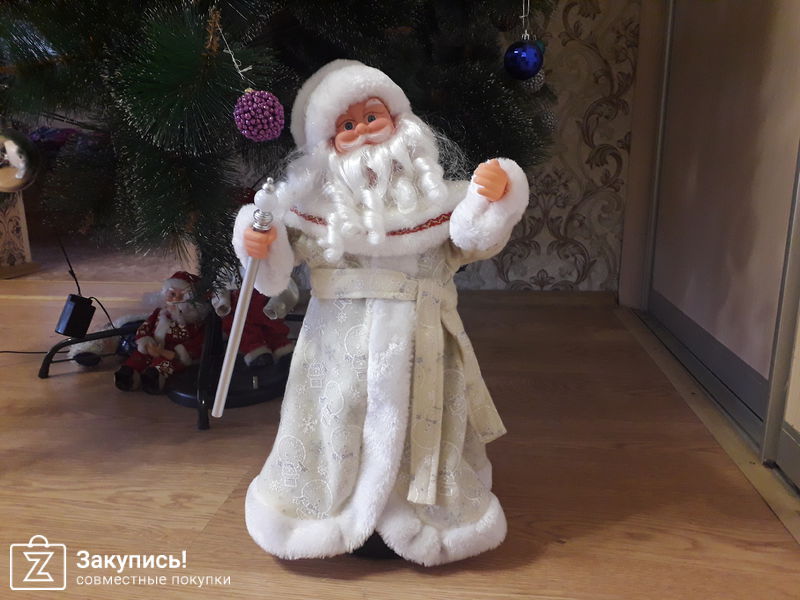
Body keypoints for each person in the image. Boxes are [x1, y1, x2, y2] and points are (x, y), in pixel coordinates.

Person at [232, 60, 529, 566]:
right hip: (337, 348)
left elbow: (472, 236)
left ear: (399, 120)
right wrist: (259, 242)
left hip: (424, 344)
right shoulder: (313, 211)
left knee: (423, 420)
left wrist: (496, 195)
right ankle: (333, 510)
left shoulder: (437, 203)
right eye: (347, 126)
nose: (365, 132)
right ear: (328, 144)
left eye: (373, 116)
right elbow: (274, 273)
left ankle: (421, 510)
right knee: (336, 418)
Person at [114, 271, 207, 394]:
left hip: (172, 354)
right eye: (171, 293)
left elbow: (197, 342)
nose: (175, 299)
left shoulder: (193, 323)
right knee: (138, 358)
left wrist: (169, 352)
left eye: (182, 297)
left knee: (164, 365)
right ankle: (128, 375)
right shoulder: (159, 312)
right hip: (152, 346)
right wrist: (146, 342)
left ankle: (153, 379)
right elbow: (146, 326)